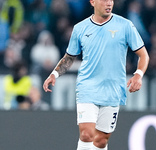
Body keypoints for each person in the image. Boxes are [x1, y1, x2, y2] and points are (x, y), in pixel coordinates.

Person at [43, 0, 149, 149]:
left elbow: (144, 55)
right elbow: (69, 57)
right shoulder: (80, 28)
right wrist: (54, 74)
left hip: (113, 89)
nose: (109, 3)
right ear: (93, 1)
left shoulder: (125, 25)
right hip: (87, 87)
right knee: (87, 134)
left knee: (101, 140)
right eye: (104, 0)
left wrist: (138, 74)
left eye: (111, 0)